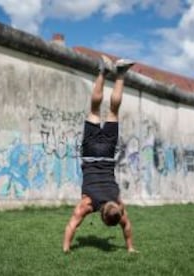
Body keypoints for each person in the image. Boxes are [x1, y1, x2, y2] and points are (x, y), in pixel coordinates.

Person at [62, 55, 136, 253]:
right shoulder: (88, 204)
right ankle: (103, 71)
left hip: (108, 154)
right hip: (91, 152)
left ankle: (120, 73)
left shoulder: (119, 202)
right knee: (94, 111)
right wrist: (66, 248)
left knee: (113, 111)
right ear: (102, 216)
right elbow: (72, 224)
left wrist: (130, 247)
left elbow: (127, 226)